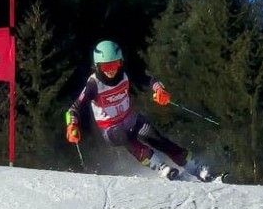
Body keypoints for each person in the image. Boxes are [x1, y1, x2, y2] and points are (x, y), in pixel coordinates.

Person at [64, 40, 212, 181]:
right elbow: (74, 109)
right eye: (105, 67)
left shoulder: (124, 73)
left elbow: (149, 79)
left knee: (156, 138)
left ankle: (194, 167)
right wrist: (72, 125)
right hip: (110, 129)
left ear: (120, 62)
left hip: (131, 119)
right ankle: (160, 166)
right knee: (126, 138)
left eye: (114, 65)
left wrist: (159, 90)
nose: (111, 71)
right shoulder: (94, 84)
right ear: (97, 67)